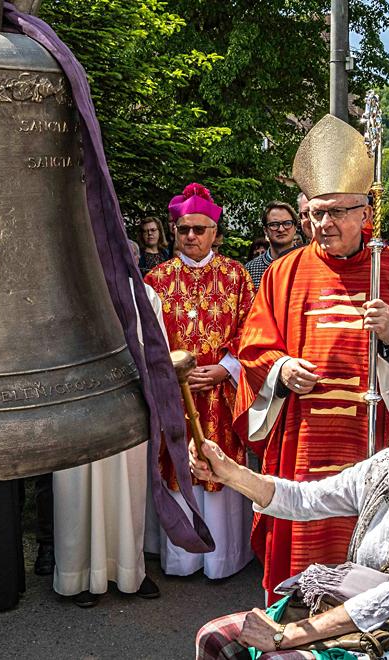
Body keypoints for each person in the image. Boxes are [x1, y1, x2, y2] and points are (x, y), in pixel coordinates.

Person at [235, 115, 389, 603]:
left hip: (376, 431)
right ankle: (292, 621)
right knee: (301, 531)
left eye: (337, 212)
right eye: (315, 213)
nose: (324, 224)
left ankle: (361, 624)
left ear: (365, 212)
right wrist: (280, 367)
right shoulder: (282, 272)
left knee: (368, 546)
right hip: (305, 435)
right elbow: (252, 344)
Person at [195, 365, 389, 658]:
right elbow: (307, 499)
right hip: (368, 620)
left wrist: (288, 635)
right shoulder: (387, 467)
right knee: (215, 638)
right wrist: (229, 472)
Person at [144, 182, 256, 579]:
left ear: (215, 233)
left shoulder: (237, 276)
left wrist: (228, 367)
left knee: (219, 466)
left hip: (221, 394)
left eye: (200, 229)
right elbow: (147, 338)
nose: (191, 235)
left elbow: (253, 331)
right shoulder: (156, 280)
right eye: (183, 229)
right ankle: (182, 557)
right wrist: (170, 375)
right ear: (174, 231)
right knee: (177, 467)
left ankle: (222, 558)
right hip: (176, 396)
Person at [52, 241, 162, 607]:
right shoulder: (63, 290)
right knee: (77, 493)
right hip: (76, 407)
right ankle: (77, 575)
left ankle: (130, 571)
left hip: (126, 406)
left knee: (127, 492)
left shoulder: (144, 294)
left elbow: (155, 352)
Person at [245, 202, 300, 289]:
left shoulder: (309, 263)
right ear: (265, 230)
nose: (281, 229)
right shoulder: (251, 269)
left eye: (287, 223)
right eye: (274, 225)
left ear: (295, 227)